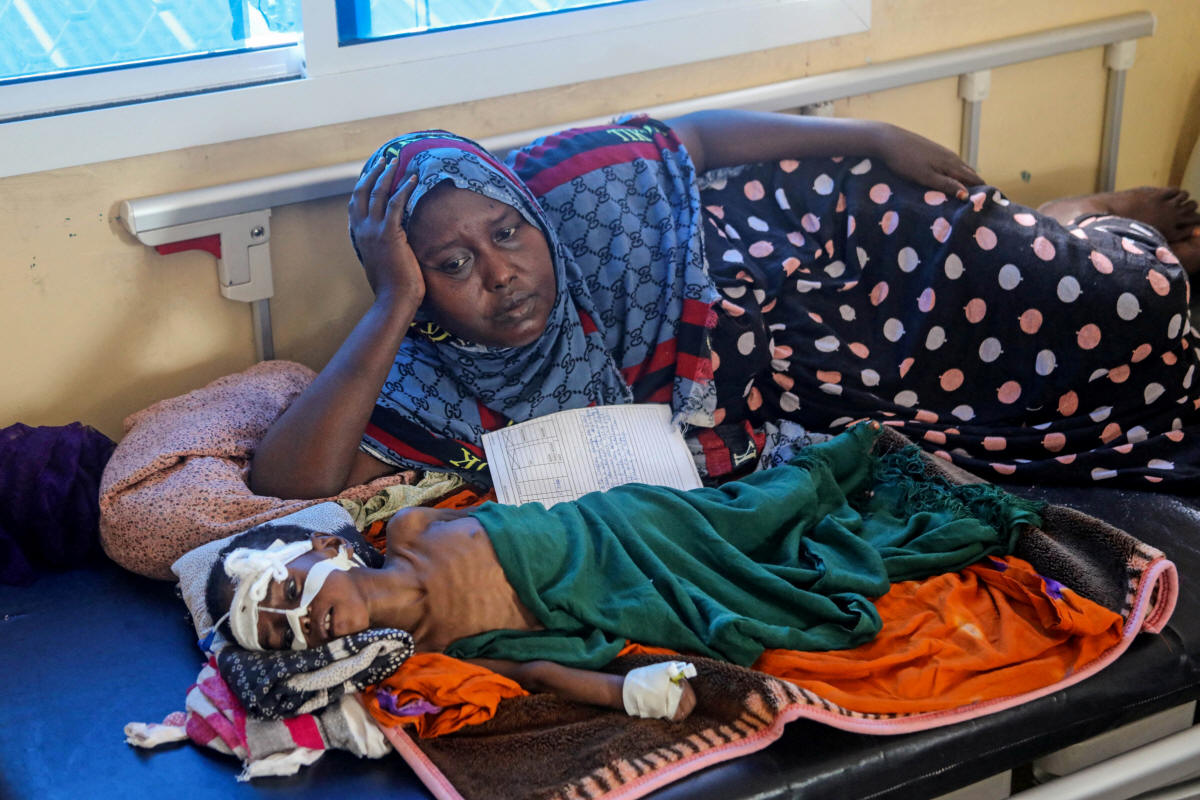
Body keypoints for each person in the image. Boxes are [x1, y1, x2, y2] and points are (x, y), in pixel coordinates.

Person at [247, 110, 1200, 500]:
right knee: (1037, 401)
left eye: (507, 233)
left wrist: (872, 136)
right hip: (800, 364)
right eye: (452, 264)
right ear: (414, 285)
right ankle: (1072, 225)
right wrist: (393, 302)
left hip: (818, 233)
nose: (500, 273)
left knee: (1131, 300)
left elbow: (695, 138)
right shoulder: (429, 372)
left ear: (532, 213)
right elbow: (289, 484)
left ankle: (1087, 224)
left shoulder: (573, 183)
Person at [214, 424, 1040, 721]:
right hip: (631, 593)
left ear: (326, 549)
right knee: (768, 605)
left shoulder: (412, 526)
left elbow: (514, 500)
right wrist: (629, 693)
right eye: (280, 635)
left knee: (754, 512)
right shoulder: (435, 652)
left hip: (632, 526)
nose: (297, 621)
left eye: (282, 593)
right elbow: (540, 668)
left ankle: (845, 460)